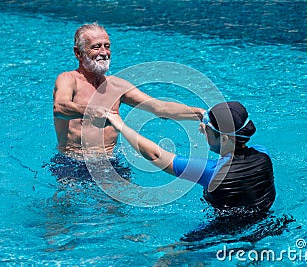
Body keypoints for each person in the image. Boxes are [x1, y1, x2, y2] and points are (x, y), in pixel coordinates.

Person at [53, 22, 204, 160]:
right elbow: (59, 108)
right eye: (96, 46)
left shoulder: (117, 86)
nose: (104, 52)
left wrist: (200, 114)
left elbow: (160, 108)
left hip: (111, 162)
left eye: (107, 46)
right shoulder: (68, 79)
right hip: (72, 162)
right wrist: (89, 111)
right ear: (78, 53)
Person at [107, 101, 276, 214]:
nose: (203, 132)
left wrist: (121, 125)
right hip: (267, 222)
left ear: (224, 139)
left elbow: (156, 155)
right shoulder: (263, 154)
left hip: (222, 232)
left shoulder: (211, 172)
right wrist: (206, 118)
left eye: (207, 130)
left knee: (168, 257)